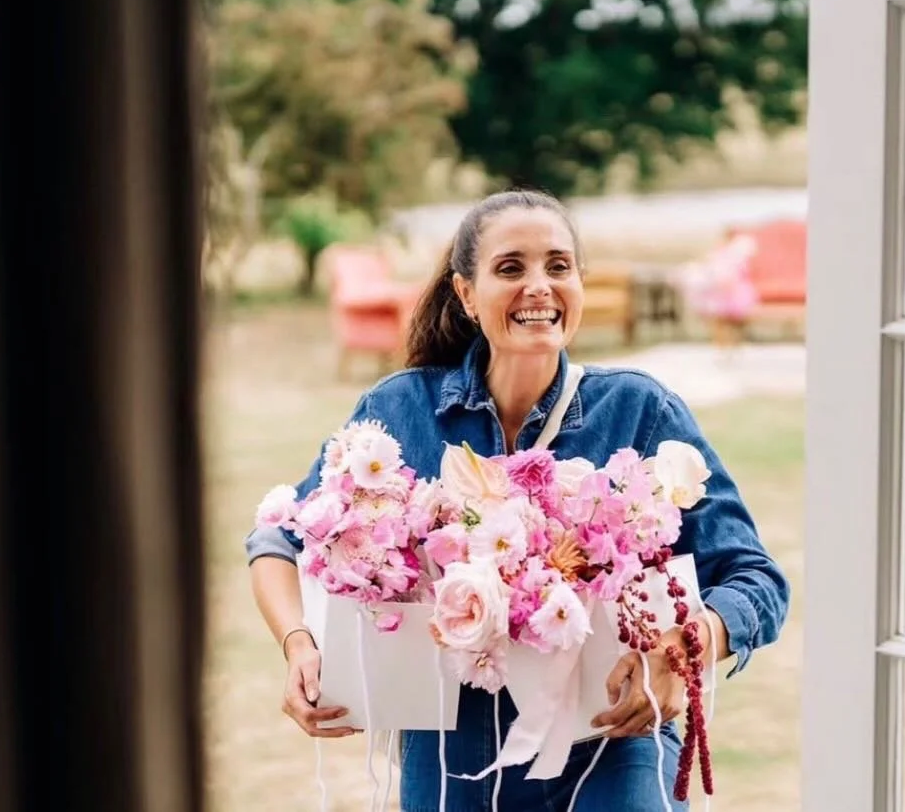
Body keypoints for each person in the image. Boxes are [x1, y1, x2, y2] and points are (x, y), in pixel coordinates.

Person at [244, 189, 790, 811]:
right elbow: (277, 540)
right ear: (467, 294)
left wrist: (682, 647)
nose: (539, 286)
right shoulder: (397, 413)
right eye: (511, 268)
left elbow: (754, 580)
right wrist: (299, 644)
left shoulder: (642, 412)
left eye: (559, 266)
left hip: (616, 744)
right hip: (450, 758)